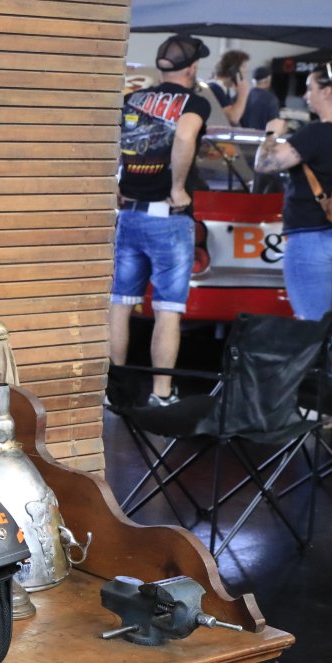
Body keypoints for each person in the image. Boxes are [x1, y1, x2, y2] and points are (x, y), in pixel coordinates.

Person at [109, 34, 210, 406]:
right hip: (169, 218)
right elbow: (184, 134)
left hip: (130, 214)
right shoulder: (194, 103)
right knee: (168, 310)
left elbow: (110, 139)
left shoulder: (132, 100)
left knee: (120, 303)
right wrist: (178, 186)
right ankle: (161, 394)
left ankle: (111, 392)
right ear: (192, 68)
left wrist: (116, 183)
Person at [253, 58, 332, 320]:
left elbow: (264, 164)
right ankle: (327, 349)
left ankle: (316, 350)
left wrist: (271, 134)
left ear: (327, 92)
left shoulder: (318, 133)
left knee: (310, 323)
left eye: (310, 88)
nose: (306, 95)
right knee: (326, 319)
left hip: (311, 238)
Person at [239, 64, 281, 130]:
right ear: (267, 81)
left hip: (241, 135)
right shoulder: (271, 99)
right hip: (261, 135)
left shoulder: (241, 96)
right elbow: (274, 123)